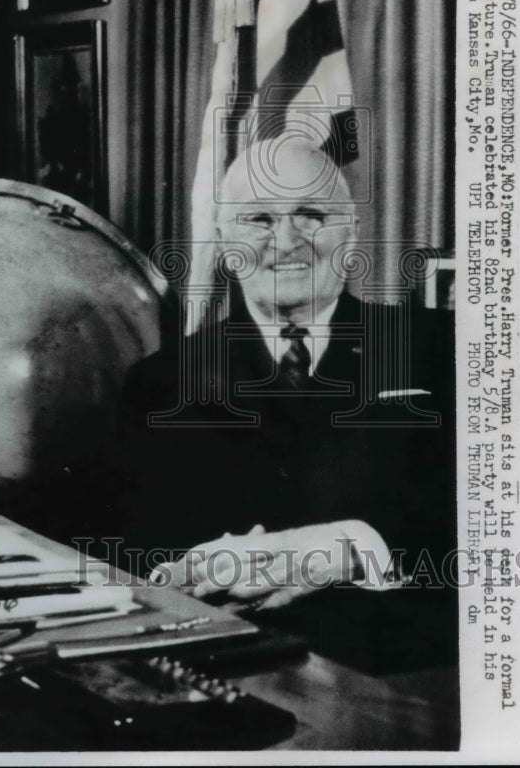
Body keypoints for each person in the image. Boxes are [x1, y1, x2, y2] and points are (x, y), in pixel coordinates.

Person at [116, 134, 457, 670]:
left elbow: (508, 528)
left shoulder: (447, 350)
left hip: (411, 675)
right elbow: (135, 557)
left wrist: (352, 547)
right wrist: (185, 574)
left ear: (352, 231)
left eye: (311, 215)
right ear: (224, 240)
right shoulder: (161, 383)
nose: (288, 240)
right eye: (259, 219)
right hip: (235, 673)